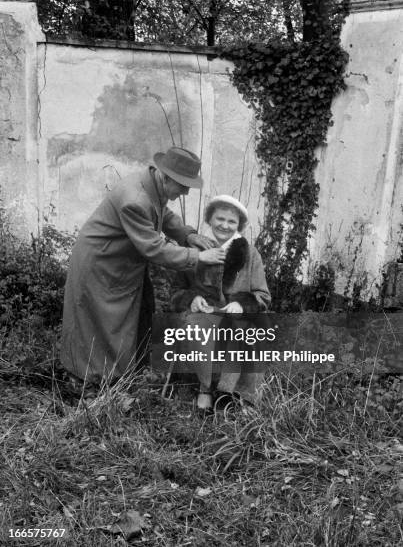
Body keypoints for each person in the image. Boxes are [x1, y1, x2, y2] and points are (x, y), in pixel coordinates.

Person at [60, 147, 226, 382]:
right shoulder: (134, 200)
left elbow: (162, 214)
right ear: (166, 177)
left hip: (120, 262)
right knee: (102, 325)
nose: (187, 191)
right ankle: (94, 383)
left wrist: (187, 234)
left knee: (132, 318)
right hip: (101, 264)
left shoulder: (151, 183)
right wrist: (197, 257)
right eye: (184, 185)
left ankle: (122, 375)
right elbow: (154, 248)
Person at [170, 195, 271, 410]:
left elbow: (263, 296)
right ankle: (205, 388)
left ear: (239, 225)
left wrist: (242, 304)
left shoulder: (250, 254)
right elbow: (177, 291)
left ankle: (237, 395)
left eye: (231, 221)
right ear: (209, 219)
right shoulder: (196, 250)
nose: (224, 225)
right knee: (195, 327)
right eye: (220, 219)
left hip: (238, 315)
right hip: (205, 313)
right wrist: (192, 299)